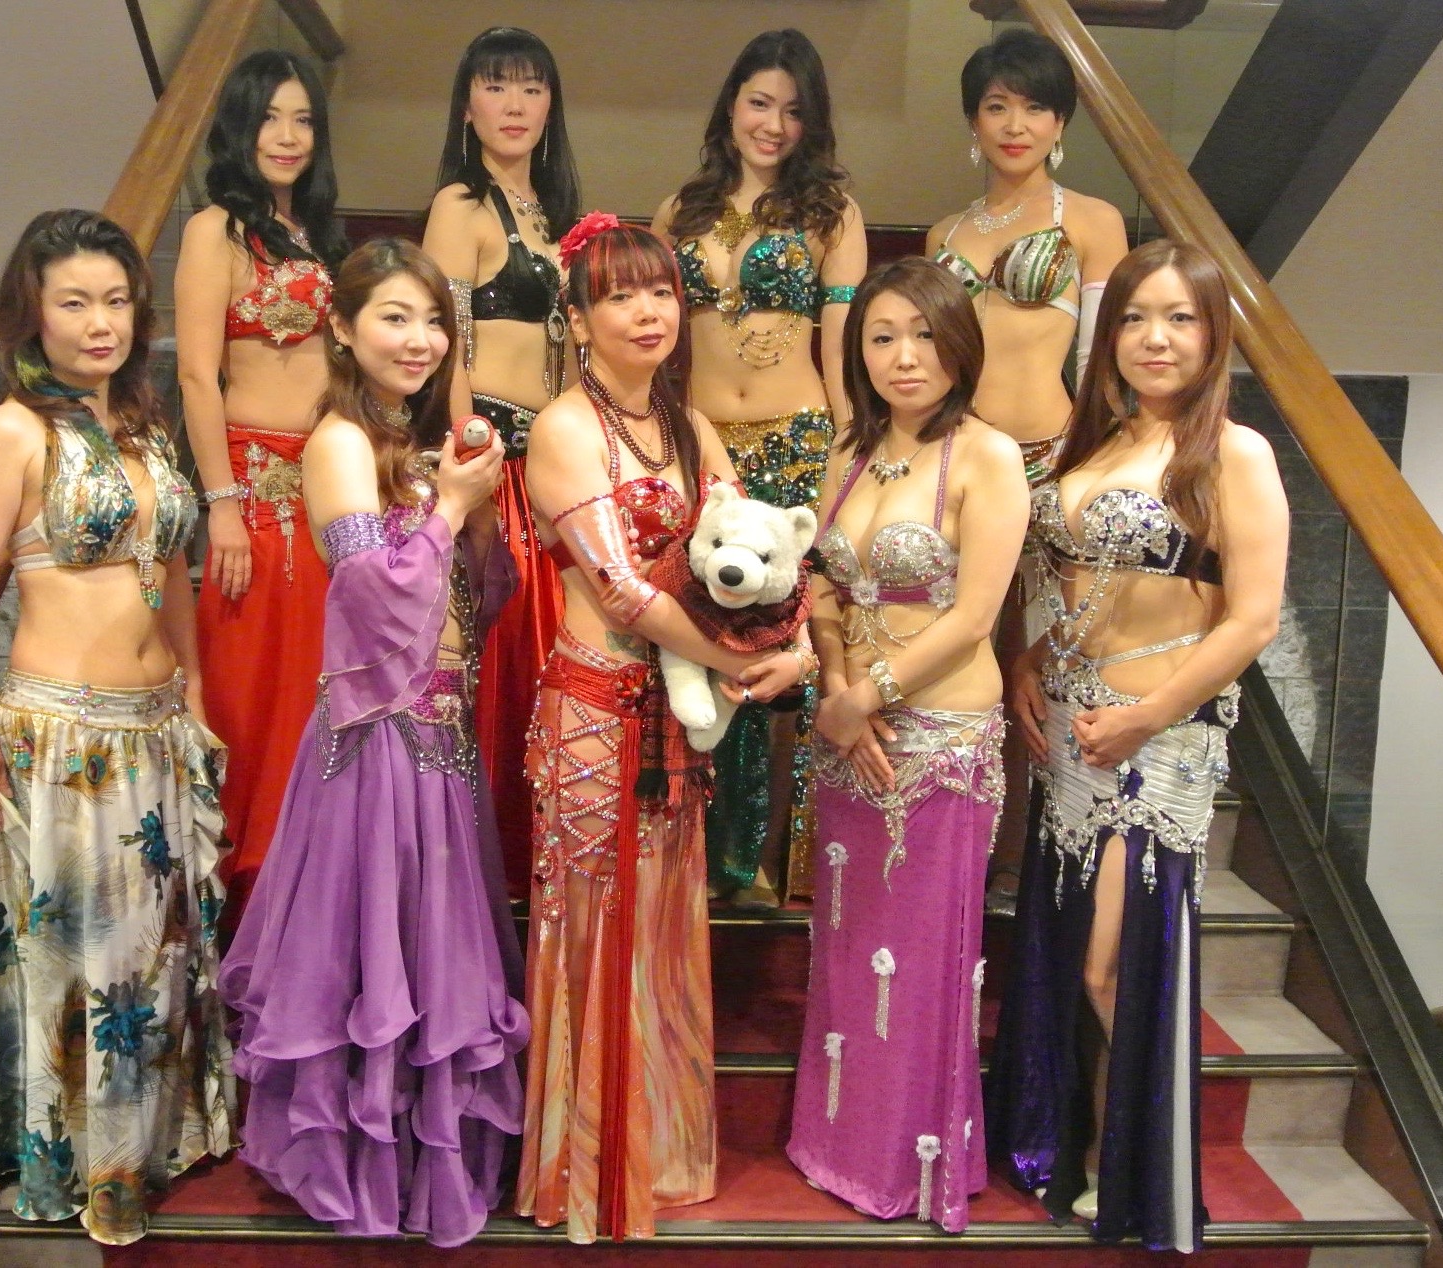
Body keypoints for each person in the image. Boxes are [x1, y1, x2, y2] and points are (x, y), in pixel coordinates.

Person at [217, 239, 527, 1249]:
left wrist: (475, 511)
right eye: (395, 317)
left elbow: (473, 602)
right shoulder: (341, 441)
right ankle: (358, 1172)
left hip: (439, 735)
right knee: (370, 958)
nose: (420, 339)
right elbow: (372, 593)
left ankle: (413, 1172)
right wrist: (453, 508)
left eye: (434, 320)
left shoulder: (414, 444)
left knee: (431, 957)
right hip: (375, 741)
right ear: (344, 329)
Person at [988, 239, 1288, 1252]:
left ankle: (1137, 1168)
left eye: (1180, 318)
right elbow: (1074, 584)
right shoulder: (1096, 447)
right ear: (1107, 332)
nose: (1156, 339)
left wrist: (1147, 715)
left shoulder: (1234, 454)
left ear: (1214, 335)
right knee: (1062, 947)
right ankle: (1067, 1144)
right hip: (1070, 733)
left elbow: (1252, 620)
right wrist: (1030, 658)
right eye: (1134, 317)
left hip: (1154, 745)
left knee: (1112, 963)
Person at [0, 209, 232, 1245]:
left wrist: (194, 695)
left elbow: (177, 577)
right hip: (61, 740)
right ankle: (76, 1168)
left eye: (116, 301)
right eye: (74, 303)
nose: (100, 322)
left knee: (152, 960)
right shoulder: (9, 432)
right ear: (32, 314)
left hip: (154, 732)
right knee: (74, 965)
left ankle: (146, 1147)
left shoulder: (145, 427)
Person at [517, 218, 809, 1243]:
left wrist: (797, 644)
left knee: (664, 921)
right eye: (618, 296)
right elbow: (624, 592)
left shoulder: (687, 428)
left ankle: (662, 1153)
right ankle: (587, 1171)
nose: (647, 313)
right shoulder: (565, 428)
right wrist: (736, 663)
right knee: (595, 925)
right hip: (596, 709)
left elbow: (759, 550)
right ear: (577, 318)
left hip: (682, 717)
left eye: (661, 293)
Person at [787, 258, 1027, 1228]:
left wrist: (868, 697)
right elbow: (822, 583)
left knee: (920, 964)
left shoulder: (988, 456)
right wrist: (838, 688)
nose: (904, 356)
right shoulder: (849, 449)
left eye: (923, 334)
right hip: (850, 735)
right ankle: (837, 1142)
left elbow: (974, 617)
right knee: (850, 955)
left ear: (958, 341)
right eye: (882, 337)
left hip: (941, 742)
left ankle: (907, 1164)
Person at [653, 28, 866, 907]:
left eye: (793, 110)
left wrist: (845, 459)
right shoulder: (681, 210)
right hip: (704, 449)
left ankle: (763, 858)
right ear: (730, 105)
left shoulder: (831, 214)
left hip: (795, 444)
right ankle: (691, 847)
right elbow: (657, 347)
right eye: (759, 102)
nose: (773, 124)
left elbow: (844, 355)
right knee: (695, 641)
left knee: (782, 646)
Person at [927, 30, 1130, 900]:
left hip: (1051, 462)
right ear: (973, 121)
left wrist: (1098, 464)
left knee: (1036, 655)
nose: (1016, 125)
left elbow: (1104, 361)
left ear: (1061, 122)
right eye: (997, 106)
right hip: (957, 464)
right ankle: (951, 836)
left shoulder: (1091, 221)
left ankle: (1023, 855)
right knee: (955, 648)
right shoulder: (945, 232)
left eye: (1036, 107)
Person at [176, 49, 349, 933]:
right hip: (254, 492)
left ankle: (314, 899)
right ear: (238, 129)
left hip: (329, 489)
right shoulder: (216, 230)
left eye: (303, 119)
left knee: (319, 686)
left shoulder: (317, 232)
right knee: (253, 690)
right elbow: (197, 376)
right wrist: (223, 504)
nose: (288, 136)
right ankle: (247, 908)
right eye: (270, 118)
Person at [423, 26, 582, 899]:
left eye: (531, 87)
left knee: (549, 662)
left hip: (551, 466)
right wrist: (468, 465)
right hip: (490, 463)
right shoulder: (461, 205)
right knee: (498, 657)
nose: (514, 105)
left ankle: (538, 856)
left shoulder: (553, 214)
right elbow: (442, 344)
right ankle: (481, 871)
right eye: (496, 86)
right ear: (466, 104)